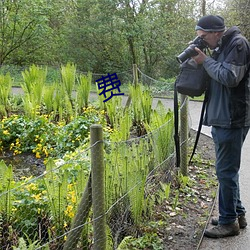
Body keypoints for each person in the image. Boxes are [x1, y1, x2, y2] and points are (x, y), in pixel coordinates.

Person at [192, 15, 250, 238]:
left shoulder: (238, 44)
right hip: (222, 117)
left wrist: (205, 61)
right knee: (227, 171)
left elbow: (229, 77)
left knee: (225, 171)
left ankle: (228, 223)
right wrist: (202, 59)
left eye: (204, 37)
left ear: (216, 32)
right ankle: (237, 214)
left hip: (232, 118)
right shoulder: (221, 46)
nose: (203, 41)